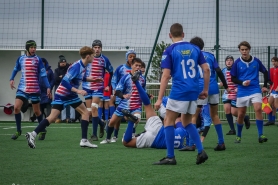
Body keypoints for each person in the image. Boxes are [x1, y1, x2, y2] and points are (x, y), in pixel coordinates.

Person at [154, 23, 210, 165]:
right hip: (193, 90)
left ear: (170, 35)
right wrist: (205, 90)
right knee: (186, 121)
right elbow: (206, 69)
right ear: (183, 34)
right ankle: (201, 151)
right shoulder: (195, 48)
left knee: (168, 120)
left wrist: (159, 99)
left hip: (179, 90)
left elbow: (165, 76)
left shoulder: (169, 50)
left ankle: (170, 156)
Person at [25, 46, 102, 149]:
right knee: (85, 113)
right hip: (68, 94)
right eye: (93, 55)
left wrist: (93, 80)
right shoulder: (77, 66)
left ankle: (33, 134)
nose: (94, 57)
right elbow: (65, 81)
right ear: (88, 56)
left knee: (52, 118)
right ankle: (84, 140)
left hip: (61, 94)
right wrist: (78, 90)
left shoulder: (82, 65)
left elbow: (79, 77)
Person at [180, 36, 229, 152]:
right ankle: (221, 142)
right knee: (215, 115)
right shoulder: (211, 56)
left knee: (193, 116)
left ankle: (191, 144)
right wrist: (227, 87)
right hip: (213, 88)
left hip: (201, 89)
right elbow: (218, 71)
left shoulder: (192, 56)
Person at [122, 76, 189, 149]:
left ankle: (136, 82)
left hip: (158, 128)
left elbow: (178, 121)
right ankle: (131, 122)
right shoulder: (182, 144)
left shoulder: (182, 131)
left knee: (147, 105)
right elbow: (178, 121)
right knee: (127, 142)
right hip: (152, 140)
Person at [10, 40, 51, 140]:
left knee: (37, 112)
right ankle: (18, 130)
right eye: (32, 47)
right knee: (16, 108)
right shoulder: (21, 59)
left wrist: (48, 87)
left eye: (35, 47)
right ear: (27, 48)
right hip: (22, 88)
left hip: (34, 88)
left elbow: (43, 74)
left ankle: (42, 130)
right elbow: (16, 69)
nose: (34, 49)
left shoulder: (38, 60)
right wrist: (11, 79)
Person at [100, 58, 146, 144]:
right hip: (124, 105)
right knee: (112, 122)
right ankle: (108, 138)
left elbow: (143, 91)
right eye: (136, 65)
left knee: (137, 118)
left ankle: (129, 133)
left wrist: (148, 96)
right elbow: (117, 91)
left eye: (140, 66)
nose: (138, 67)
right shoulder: (125, 77)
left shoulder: (143, 79)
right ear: (132, 65)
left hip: (136, 105)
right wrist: (123, 95)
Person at [230, 41, 269, 143]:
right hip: (242, 91)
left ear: (249, 50)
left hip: (255, 89)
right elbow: (233, 78)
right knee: (241, 114)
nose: (244, 51)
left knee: (258, 109)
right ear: (239, 50)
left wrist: (265, 85)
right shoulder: (237, 63)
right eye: (242, 50)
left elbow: (265, 72)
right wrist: (242, 83)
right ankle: (238, 136)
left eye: (246, 49)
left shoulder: (256, 61)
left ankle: (261, 135)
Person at [82, 40, 113, 141]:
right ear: (92, 49)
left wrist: (108, 85)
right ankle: (101, 123)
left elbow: (111, 72)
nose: (97, 49)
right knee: (89, 112)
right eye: (95, 47)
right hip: (87, 86)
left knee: (94, 107)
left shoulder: (105, 59)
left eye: (98, 47)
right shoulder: (87, 58)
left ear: (101, 48)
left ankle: (94, 135)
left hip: (98, 87)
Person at [109, 49, 136, 142]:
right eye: (130, 56)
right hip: (121, 96)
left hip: (132, 97)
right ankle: (115, 135)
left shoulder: (136, 69)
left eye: (133, 56)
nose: (132, 58)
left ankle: (131, 133)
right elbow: (114, 80)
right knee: (119, 117)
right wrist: (115, 91)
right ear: (127, 58)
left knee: (131, 115)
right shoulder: (121, 68)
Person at [221, 55, 251, 135]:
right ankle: (232, 130)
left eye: (231, 60)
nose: (229, 61)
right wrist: (222, 83)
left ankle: (245, 117)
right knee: (227, 110)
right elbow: (223, 80)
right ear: (225, 62)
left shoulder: (237, 70)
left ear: (233, 62)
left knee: (234, 112)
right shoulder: (223, 70)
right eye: (227, 60)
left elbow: (242, 80)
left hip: (235, 93)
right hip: (227, 93)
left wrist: (239, 87)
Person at [53, 55, 70, 123]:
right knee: (58, 103)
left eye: (64, 62)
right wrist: (63, 78)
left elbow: (68, 78)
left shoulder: (68, 69)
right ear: (59, 63)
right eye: (61, 62)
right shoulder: (56, 70)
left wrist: (62, 76)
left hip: (66, 87)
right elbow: (56, 79)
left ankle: (68, 118)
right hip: (58, 88)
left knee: (68, 103)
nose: (63, 63)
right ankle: (58, 118)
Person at [264, 57, 278, 126]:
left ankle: (271, 120)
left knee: (275, 105)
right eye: (272, 61)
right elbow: (269, 80)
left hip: (276, 90)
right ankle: (271, 120)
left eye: (275, 61)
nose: (273, 63)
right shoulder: (272, 69)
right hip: (273, 90)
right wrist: (270, 88)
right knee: (271, 105)